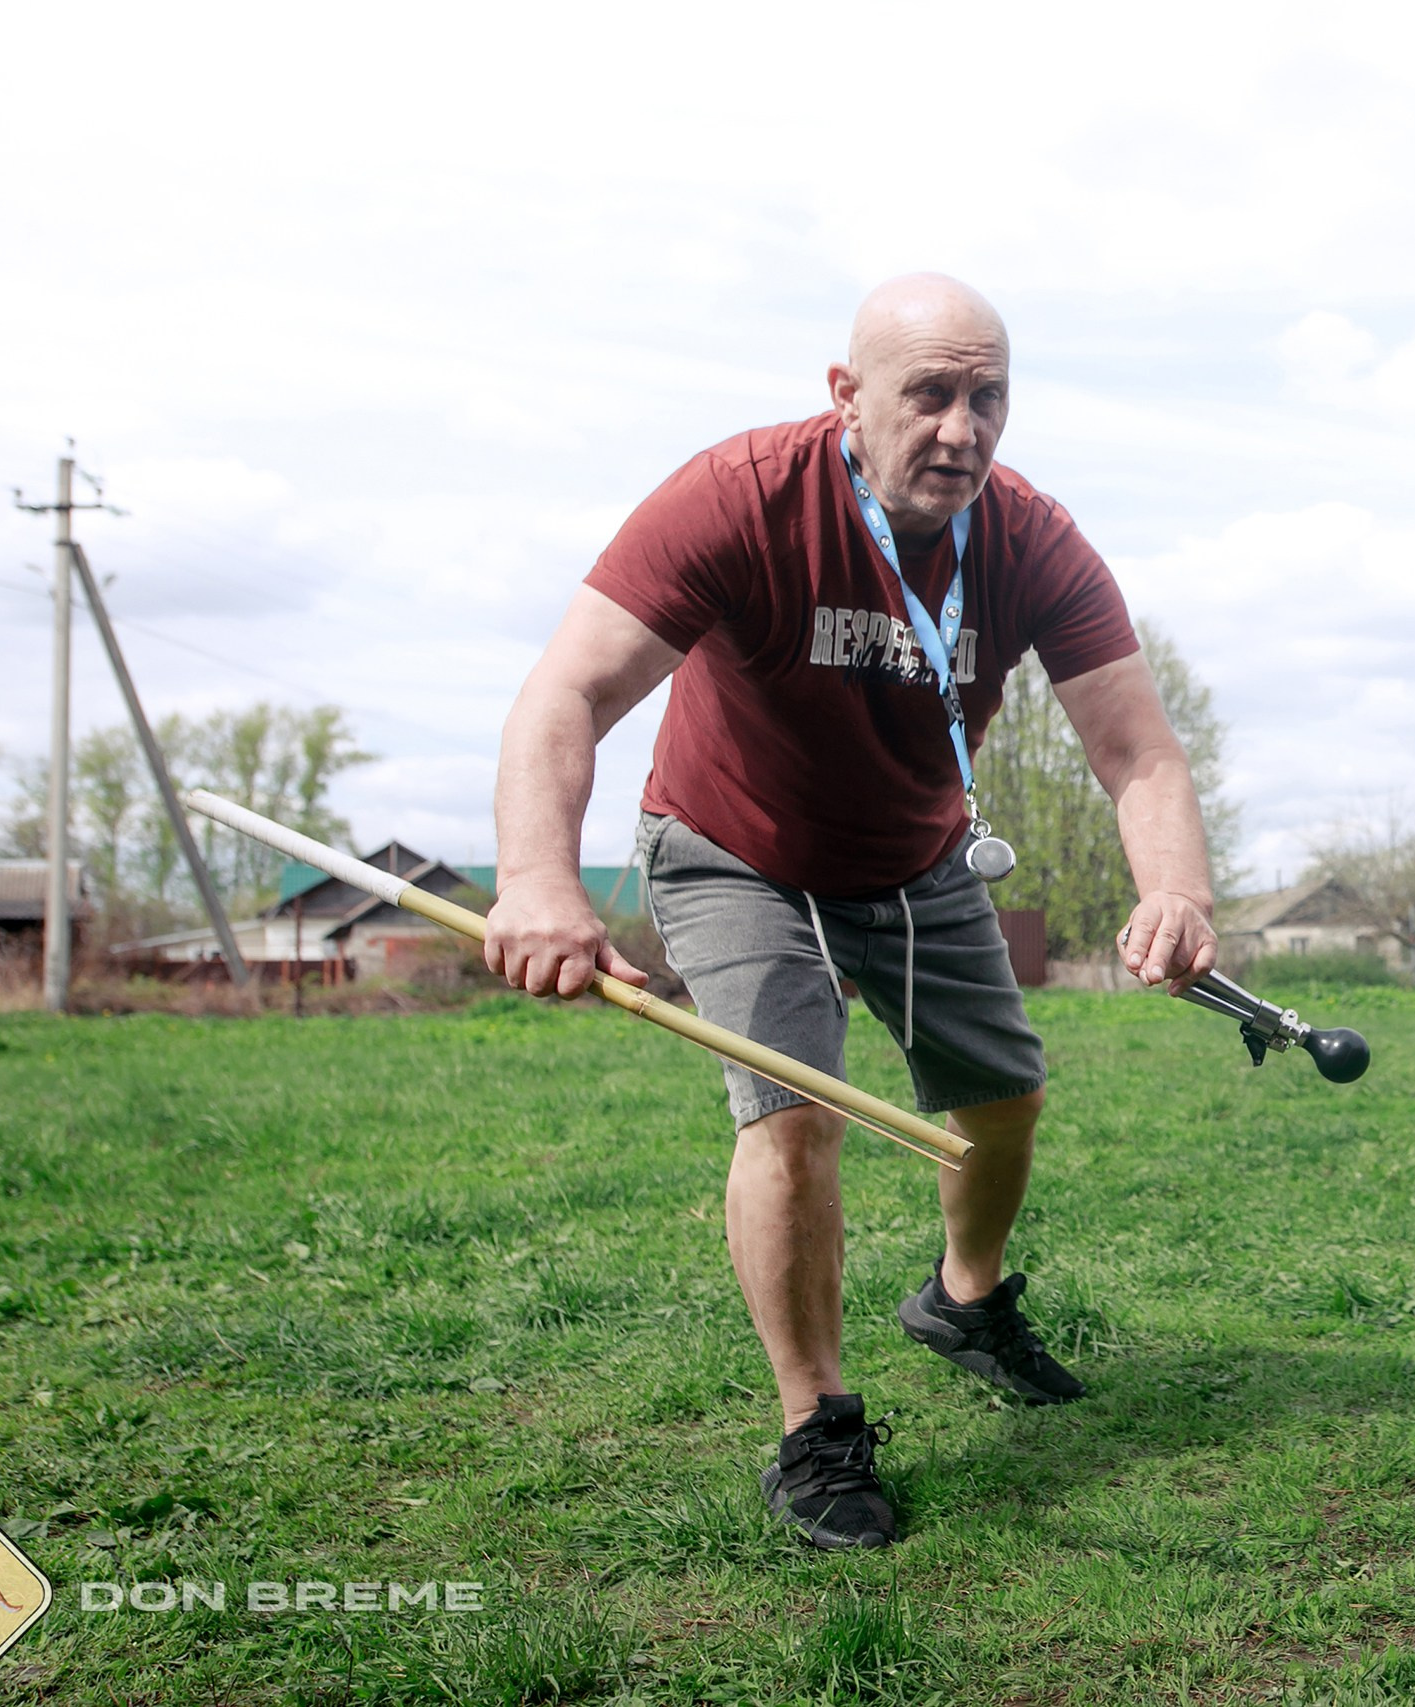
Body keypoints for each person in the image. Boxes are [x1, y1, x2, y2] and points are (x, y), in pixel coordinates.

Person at [484, 274, 1219, 1550]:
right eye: (928, 394)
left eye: (988, 397)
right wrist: (539, 878)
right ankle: (816, 1423)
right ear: (847, 396)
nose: (962, 430)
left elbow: (1135, 746)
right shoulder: (737, 497)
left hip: (917, 856)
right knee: (795, 1111)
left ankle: (962, 1299)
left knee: (1001, 1096)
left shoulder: (1030, 539)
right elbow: (568, 694)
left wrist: (1176, 890)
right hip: (733, 848)